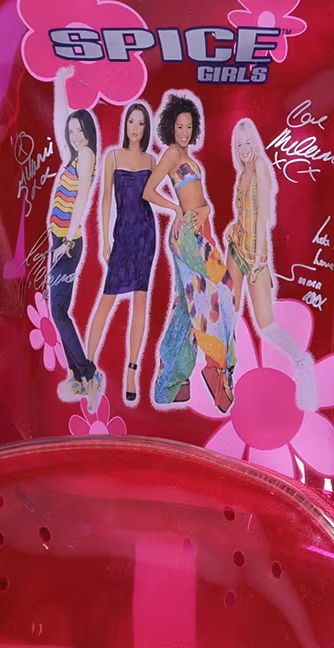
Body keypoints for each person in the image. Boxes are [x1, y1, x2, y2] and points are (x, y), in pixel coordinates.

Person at [143, 92, 237, 412]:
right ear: (171, 127)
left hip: (202, 231)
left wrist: (206, 209)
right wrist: (176, 210)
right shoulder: (172, 154)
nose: (184, 132)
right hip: (187, 237)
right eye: (179, 126)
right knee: (217, 294)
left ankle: (172, 381)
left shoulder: (189, 158)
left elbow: (200, 199)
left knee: (187, 306)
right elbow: (148, 191)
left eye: (188, 127)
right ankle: (215, 367)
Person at [225, 117, 317, 411]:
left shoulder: (261, 169)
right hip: (236, 246)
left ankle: (301, 362)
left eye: (247, 143)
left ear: (255, 142)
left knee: (265, 324)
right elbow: (244, 216)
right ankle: (226, 378)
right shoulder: (243, 173)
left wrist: (257, 259)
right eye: (239, 145)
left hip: (255, 255)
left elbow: (264, 219)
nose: (244, 149)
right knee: (228, 312)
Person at [84, 102, 157, 403]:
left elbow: (155, 195)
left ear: (146, 128)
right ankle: (87, 367)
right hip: (122, 236)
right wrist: (104, 240)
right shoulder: (112, 156)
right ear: (125, 124)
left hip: (146, 236)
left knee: (140, 302)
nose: (135, 128)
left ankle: (132, 371)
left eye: (141, 123)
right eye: (131, 122)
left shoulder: (152, 160)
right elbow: (105, 200)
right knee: (106, 301)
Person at [46, 67, 102, 410]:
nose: (75, 135)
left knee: (58, 310)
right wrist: (59, 85)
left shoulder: (86, 155)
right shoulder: (74, 155)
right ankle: (80, 377)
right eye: (72, 131)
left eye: (80, 130)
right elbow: (59, 122)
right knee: (59, 311)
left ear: (88, 132)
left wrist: (66, 241)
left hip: (67, 244)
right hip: (59, 241)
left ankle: (88, 373)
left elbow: (82, 198)